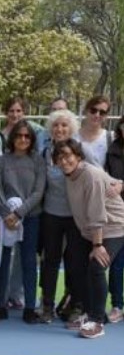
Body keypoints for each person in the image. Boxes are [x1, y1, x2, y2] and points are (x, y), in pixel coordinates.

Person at [55, 139, 124, 339]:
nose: (64, 160)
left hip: (114, 227)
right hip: (90, 229)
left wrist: (98, 245)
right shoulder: (70, 175)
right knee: (76, 265)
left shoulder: (90, 175)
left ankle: (97, 322)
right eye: (59, 157)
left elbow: (97, 214)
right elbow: (110, 180)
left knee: (96, 266)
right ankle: (91, 312)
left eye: (67, 155)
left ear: (78, 156)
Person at [0, 120, 46, 323]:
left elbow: (38, 191)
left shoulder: (37, 161)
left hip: (30, 218)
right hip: (6, 220)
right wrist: (7, 215)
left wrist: (20, 213)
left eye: (27, 136)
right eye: (19, 135)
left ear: (31, 139)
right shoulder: (2, 161)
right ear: (12, 138)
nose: (23, 139)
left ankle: (30, 308)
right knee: (3, 262)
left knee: (29, 262)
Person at [39, 109, 89, 324]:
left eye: (64, 125)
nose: (60, 129)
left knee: (76, 262)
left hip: (75, 216)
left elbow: (91, 176)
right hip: (51, 213)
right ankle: (47, 306)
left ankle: (76, 305)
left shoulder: (78, 150)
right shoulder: (44, 152)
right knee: (50, 261)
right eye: (56, 125)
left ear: (71, 128)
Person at [105, 116, 124, 323]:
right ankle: (117, 305)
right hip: (117, 214)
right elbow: (106, 177)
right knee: (117, 263)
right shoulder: (113, 150)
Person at [78, 95, 112, 167]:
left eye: (102, 112)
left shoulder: (110, 138)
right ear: (86, 111)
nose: (97, 115)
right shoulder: (73, 137)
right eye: (93, 110)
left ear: (106, 116)